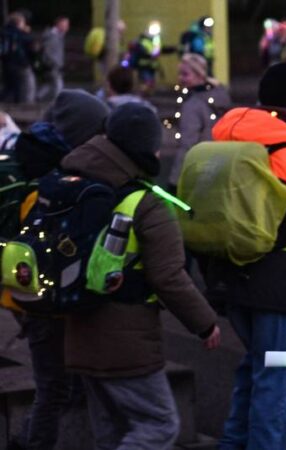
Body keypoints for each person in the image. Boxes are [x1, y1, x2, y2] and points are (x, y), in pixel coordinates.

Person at [60, 103, 221, 450]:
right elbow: (169, 277)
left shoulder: (72, 184)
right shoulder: (145, 203)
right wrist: (205, 323)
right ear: (144, 148)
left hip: (77, 328)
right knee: (159, 424)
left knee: (109, 430)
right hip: (126, 339)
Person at [208, 62, 286, 450]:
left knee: (253, 367)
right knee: (276, 383)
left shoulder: (224, 140)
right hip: (276, 285)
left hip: (226, 273)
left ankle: (232, 443)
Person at [7, 89, 111, 450]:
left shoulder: (28, 157)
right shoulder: (58, 174)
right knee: (53, 385)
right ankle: (32, 443)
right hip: (45, 293)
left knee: (57, 380)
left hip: (24, 287)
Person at [167, 53, 231, 190]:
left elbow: (187, 144)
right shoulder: (219, 95)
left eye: (185, 74)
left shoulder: (192, 105)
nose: (180, 78)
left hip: (199, 168)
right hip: (222, 163)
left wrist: (175, 179)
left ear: (199, 74)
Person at [0, 12, 36, 104]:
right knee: (28, 85)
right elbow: (31, 45)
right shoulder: (20, 33)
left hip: (6, 63)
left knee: (10, 87)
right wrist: (27, 32)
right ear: (19, 22)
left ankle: (10, 105)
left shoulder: (4, 32)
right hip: (20, 64)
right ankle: (25, 107)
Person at [36, 16, 69, 102]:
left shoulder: (58, 35)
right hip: (53, 65)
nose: (67, 28)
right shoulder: (52, 37)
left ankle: (38, 97)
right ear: (58, 24)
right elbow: (48, 53)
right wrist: (54, 63)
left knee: (49, 84)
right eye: (65, 25)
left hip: (54, 64)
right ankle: (57, 103)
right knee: (58, 85)